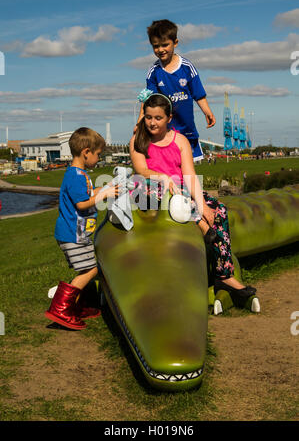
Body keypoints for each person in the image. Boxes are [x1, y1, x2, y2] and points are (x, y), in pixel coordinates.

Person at [130, 93, 256, 305]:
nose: (152, 122)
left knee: (219, 210)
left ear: (169, 118)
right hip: (151, 190)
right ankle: (202, 227)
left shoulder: (180, 141)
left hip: (181, 193)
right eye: (149, 117)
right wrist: (163, 178)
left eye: (158, 118)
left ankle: (224, 275)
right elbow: (141, 169)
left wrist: (203, 204)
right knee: (165, 194)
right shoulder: (138, 140)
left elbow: (189, 175)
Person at [45, 127, 119, 330]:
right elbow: (82, 204)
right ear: (86, 152)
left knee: (88, 268)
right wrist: (104, 195)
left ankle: (80, 305)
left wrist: (106, 188)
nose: (98, 159)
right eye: (98, 155)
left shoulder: (79, 174)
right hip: (73, 234)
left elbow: (87, 195)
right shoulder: (76, 176)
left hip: (77, 233)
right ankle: (60, 308)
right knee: (90, 269)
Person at [135, 19, 215, 162]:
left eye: (165, 44)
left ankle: (192, 185)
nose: (160, 50)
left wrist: (207, 112)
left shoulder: (186, 67)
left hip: (186, 129)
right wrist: (140, 121)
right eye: (156, 46)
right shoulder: (154, 71)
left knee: (188, 172)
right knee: (168, 170)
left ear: (175, 43)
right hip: (165, 131)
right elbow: (148, 100)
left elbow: (198, 93)